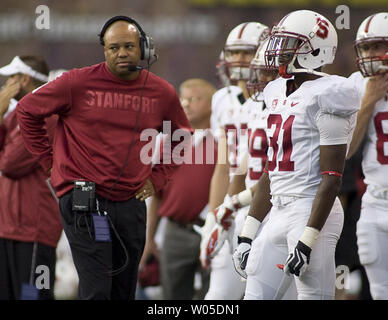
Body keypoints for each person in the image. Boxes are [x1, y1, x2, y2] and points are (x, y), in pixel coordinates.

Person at [16, 16, 192, 300]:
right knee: (97, 289)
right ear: (104, 50)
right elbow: (27, 110)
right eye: (113, 48)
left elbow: (181, 135)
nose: (121, 53)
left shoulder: (161, 92)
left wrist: (158, 176)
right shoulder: (77, 82)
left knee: (123, 290)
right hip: (85, 202)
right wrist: (50, 163)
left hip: (131, 203)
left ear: (144, 48)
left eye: (128, 46)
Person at [233, 10, 361, 300]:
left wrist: (307, 240)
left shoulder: (331, 93)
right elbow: (271, 171)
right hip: (277, 209)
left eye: (290, 43)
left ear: (314, 48)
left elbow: (331, 179)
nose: (279, 51)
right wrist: (247, 233)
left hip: (312, 209)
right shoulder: (276, 90)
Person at [199, 21, 269, 300]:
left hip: (267, 202)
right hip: (235, 204)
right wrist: (213, 218)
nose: (238, 60)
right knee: (218, 295)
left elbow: (248, 162)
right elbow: (224, 166)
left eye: (247, 52)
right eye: (234, 53)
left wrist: (229, 204)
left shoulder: (272, 98)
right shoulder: (221, 99)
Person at [140, 78, 217, 300]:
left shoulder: (223, 139)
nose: (186, 104)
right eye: (183, 99)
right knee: (172, 297)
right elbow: (157, 194)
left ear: (212, 104)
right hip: (175, 231)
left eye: (195, 99)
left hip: (214, 229)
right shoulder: (169, 141)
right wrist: (150, 237)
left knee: (214, 296)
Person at [0, 55, 62, 300]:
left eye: (11, 79)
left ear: (24, 80)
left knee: (32, 296)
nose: (5, 86)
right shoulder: (13, 116)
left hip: (34, 229)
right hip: (8, 227)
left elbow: (10, 164)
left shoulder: (44, 117)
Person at [346, 12, 388, 300]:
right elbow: (346, 150)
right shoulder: (356, 85)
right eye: (365, 48)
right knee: (379, 291)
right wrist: (368, 103)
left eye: (378, 46)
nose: (370, 55)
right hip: (375, 202)